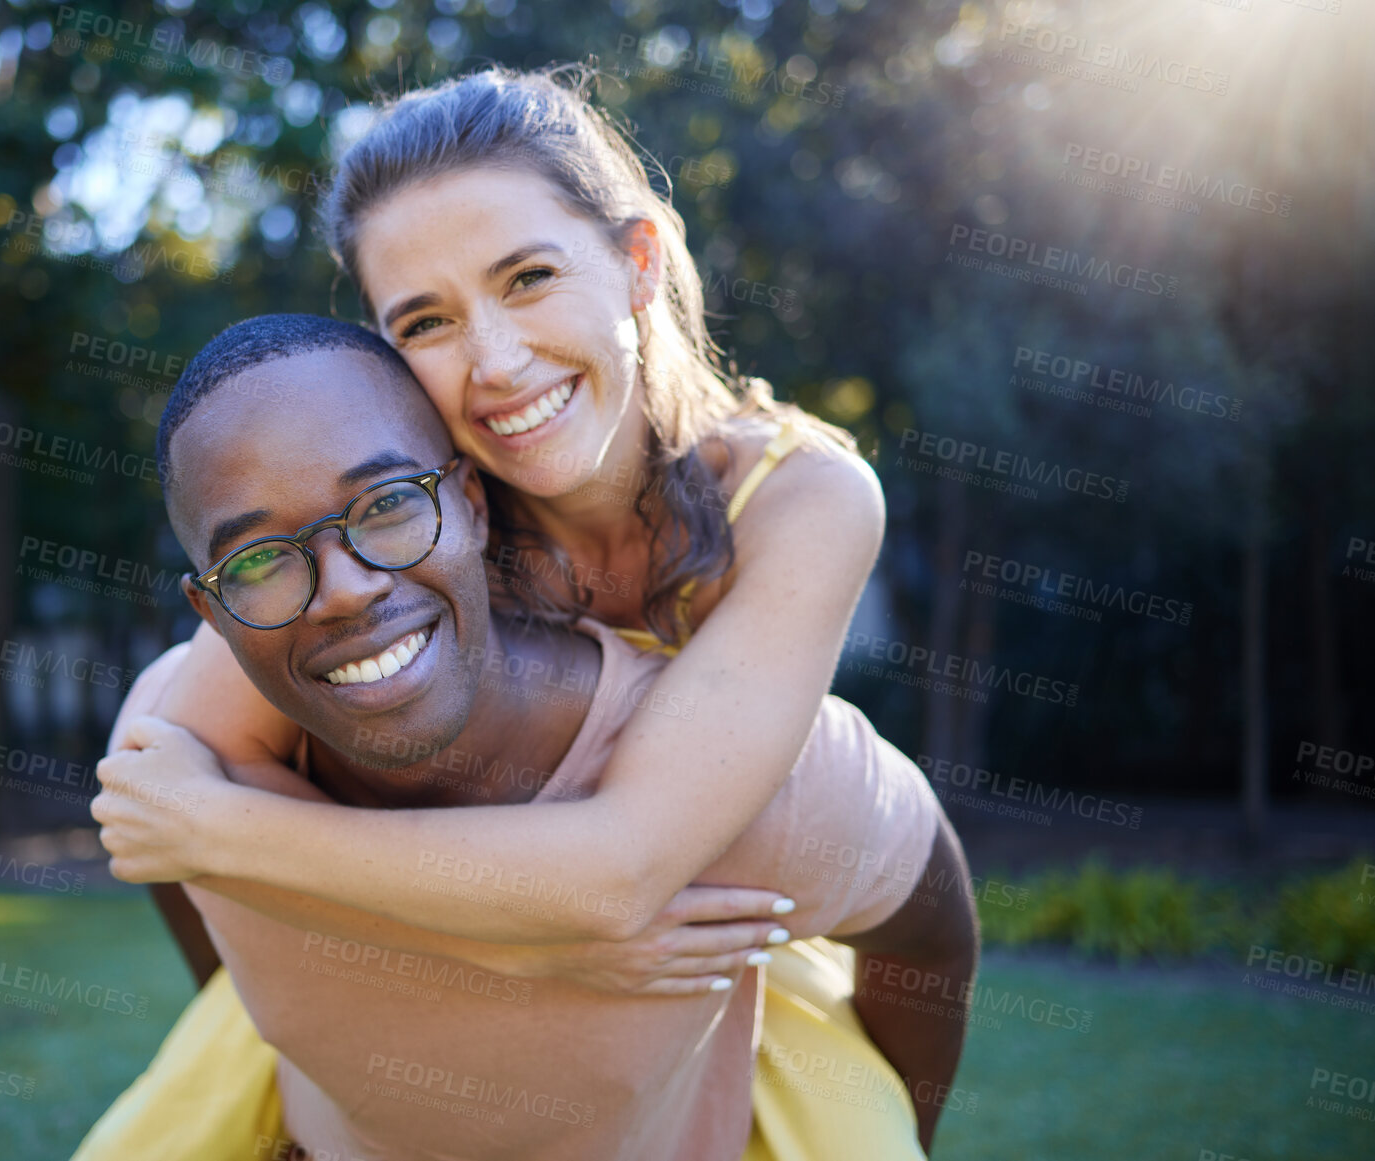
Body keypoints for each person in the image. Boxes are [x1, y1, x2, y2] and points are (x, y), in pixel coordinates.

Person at [77, 315, 976, 1161]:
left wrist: (889, 1130)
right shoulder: (183, 763)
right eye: (260, 562)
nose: (344, 588)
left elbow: (932, 932)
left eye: (387, 504)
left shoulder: (738, 784)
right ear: (212, 612)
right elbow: (186, 880)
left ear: (470, 501)